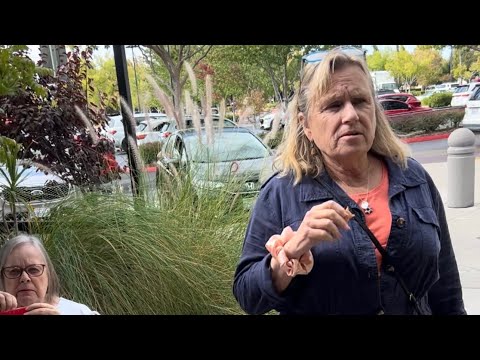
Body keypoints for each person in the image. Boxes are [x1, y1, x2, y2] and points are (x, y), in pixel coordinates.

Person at [233, 48, 466, 315]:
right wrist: (291, 251)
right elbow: (247, 296)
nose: (351, 115)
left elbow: (446, 288)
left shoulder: (413, 178)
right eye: (333, 105)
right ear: (306, 125)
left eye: (360, 101)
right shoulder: (281, 194)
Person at [0, 234, 99, 315]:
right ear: (2, 277)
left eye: (34, 269)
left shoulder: (79, 312)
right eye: (14, 271)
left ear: (48, 274)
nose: (25, 278)